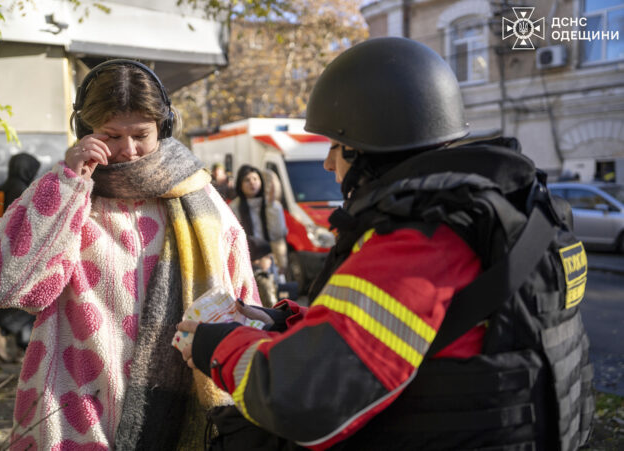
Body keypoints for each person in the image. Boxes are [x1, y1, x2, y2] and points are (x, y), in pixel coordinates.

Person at [177, 37, 594, 450]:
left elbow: (303, 397)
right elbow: (397, 332)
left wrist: (216, 344)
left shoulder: (417, 240)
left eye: (335, 147)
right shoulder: (494, 210)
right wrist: (283, 323)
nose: (327, 163)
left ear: (366, 150)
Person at [0, 59, 260, 450]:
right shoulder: (67, 192)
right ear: (84, 131)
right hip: (74, 415)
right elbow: (4, 287)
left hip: (183, 419)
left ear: (165, 126)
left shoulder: (204, 202)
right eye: (111, 135)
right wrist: (66, 184)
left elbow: (246, 306)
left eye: (141, 134)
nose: (127, 150)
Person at [0, 153, 41, 362]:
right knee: (36, 296)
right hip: (17, 254)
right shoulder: (20, 190)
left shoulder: (3, 187)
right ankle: (2, 329)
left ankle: (23, 348)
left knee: (18, 298)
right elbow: (24, 226)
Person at [230, 165, 289, 275]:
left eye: (255, 179)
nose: (252, 183)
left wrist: (271, 207)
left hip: (271, 261)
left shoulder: (272, 206)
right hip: (244, 264)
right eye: (247, 180)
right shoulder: (233, 208)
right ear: (240, 184)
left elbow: (277, 234)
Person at [247, 236, 279, 308]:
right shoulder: (263, 279)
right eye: (268, 257)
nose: (271, 261)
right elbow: (272, 306)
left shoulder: (247, 276)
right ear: (256, 260)